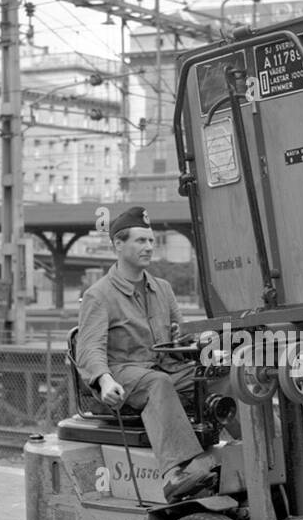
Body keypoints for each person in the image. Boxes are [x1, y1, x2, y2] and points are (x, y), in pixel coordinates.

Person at [75, 206, 232, 502]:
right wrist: (104, 380)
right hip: (126, 373)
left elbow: (181, 335)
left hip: (166, 368)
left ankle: (272, 452)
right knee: (157, 383)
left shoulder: (162, 289)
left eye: (151, 241)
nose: (149, 247)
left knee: (227, 378)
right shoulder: (100, 295)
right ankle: (179, 472)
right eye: (140, 240)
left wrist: (206, 343)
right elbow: (89, 348)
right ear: (118, 245)